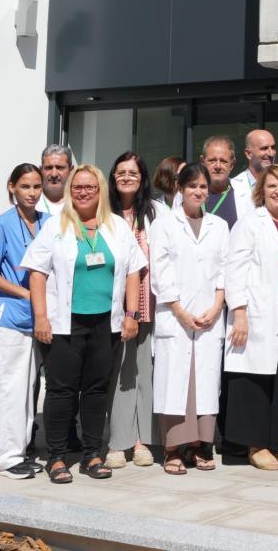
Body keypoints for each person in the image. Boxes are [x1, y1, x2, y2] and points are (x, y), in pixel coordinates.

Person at [24, 165, 145, 483]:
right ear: (69, 190)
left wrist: (131, 314)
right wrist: (41, 317)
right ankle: (57, 457)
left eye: (90, 187)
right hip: (65, 324)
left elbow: (133, 271)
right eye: (77, 187)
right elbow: (36, 273)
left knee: (96, 390)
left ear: (101, 190)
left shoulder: (117, 226)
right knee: (61, 391)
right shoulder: (55, 226)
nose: (83, 192)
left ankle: (93, 454)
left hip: (106, 324)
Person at [224, 164, 278, 471]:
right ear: (261, 190)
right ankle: (254, 445)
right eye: (272, 186)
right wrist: (240, 313)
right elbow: (235, 269)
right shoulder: (251, 223)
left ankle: (273, 440)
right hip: (257, 312)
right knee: (254, 377)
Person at [150, 163, 230, 474]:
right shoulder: (164, 225)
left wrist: (217, 305)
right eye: (192, 186)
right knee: (175, 381)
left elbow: (224, 270)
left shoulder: (219, 226)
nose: (198, 191)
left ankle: (199, 446)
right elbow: (160, 271)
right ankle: (172, 449)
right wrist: (179, 310)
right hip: (175, 317)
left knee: (204, 383)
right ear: (180, 189)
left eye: (203, 187)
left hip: (209, 317)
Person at [0, 163, 48, 479]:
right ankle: (6, 459)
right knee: (10, 389)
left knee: (27, 390)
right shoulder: (3, 224)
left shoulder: (49, 223)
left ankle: (20, 451)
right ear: (12, 187)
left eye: (36, 186)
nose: (32, 193)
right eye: (25, 186)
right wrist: (25, 293)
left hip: (37, 319)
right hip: (9, 318)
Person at [105, 152, 159, 469]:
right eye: (121, 172)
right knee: (120, 374)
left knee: (144, 374)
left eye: (133, 173)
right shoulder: (104, 213)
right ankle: (118, 442)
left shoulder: (156, 213)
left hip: (148, 304)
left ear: (142, 178)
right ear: (113, 177)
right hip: (115, 307)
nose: (127, 177)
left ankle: (141, 442)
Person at [230, 129, 278, 217]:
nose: (271, 153)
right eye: (264, 148)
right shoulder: (234, 187)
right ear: (248, 154)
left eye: (273, 148)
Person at [199, 135, 250, 229]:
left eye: (223, 161)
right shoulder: (187, 194)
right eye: (212, 160)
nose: (218, 166)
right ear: (202, 162)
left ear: (232, 164)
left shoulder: (247, 196)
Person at [37, 144, 73, 218]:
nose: (54, 174)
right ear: (41, 170)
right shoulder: (30, 202)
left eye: (59, 168)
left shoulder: (80, 202)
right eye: (49, 168)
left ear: (71, 170)